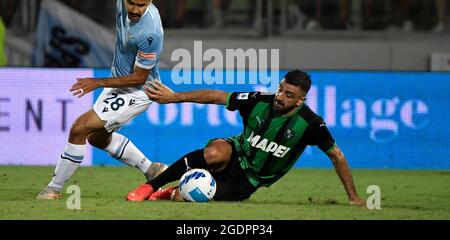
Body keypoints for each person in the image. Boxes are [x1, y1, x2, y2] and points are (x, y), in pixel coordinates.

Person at [36, 0, 167, 200]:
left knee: (79, 128)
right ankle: (152, 169)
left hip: (140, 89)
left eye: (141, 6)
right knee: (97, 137)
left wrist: (97, 81)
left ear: (151, 1)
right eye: (131, 3)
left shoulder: (150, 31)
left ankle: (53, 189)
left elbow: (139, 78)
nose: (133, 10)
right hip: (117, 80)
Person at [126, 70, 366, 205]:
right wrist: (174, 97)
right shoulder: (259, 101)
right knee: (214, 152)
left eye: (288, 94)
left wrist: (353, 197)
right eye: (281, 88)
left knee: (184, 197)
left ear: (300, 100)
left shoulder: (312, 125)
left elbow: (337, 156)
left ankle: (169, 193)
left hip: (248, 181)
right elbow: (217, 96)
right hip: (234, 153)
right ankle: (150, 186)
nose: (280, 96)